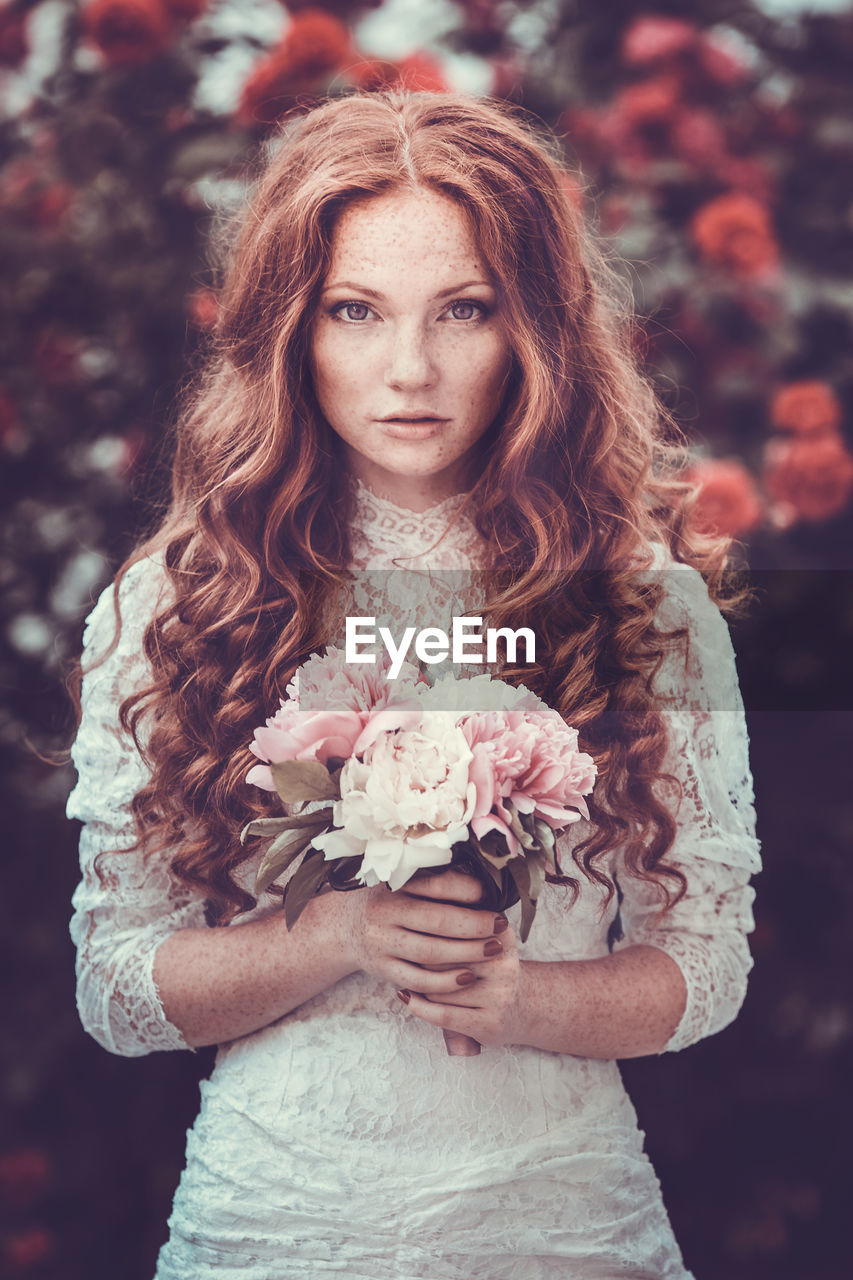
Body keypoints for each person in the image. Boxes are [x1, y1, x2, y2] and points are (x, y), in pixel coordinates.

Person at [67, 91, 761, 1279]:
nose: (409, 368)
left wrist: (520, 996)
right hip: (275, 1218)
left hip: (557, 1221)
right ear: (292, 329)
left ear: (532, 328)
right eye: (355, 311)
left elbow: (703, 963)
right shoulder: (180, 604)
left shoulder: (645, 603)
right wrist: (342, 931)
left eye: (462, 310)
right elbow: (118, 986)